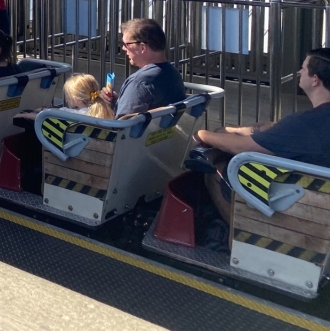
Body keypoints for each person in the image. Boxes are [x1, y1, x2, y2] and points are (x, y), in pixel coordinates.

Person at [192, 48, 330, 225]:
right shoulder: (312, 120)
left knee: (218, 170)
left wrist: (202, 134)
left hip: (306, 197)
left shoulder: (306, 123)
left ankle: (236, 238)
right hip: (318, 189)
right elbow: (276, 130)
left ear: (315, 80)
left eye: (303, 69)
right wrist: (238, 130)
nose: (299, 73)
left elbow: (243, 147)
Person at [104, 18, 185, 118]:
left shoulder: (139, 83)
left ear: (143, 48)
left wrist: (103, 106)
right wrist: (119, 101)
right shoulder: (174, 75)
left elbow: (121, 126)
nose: (123, 48)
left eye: (126, 44)